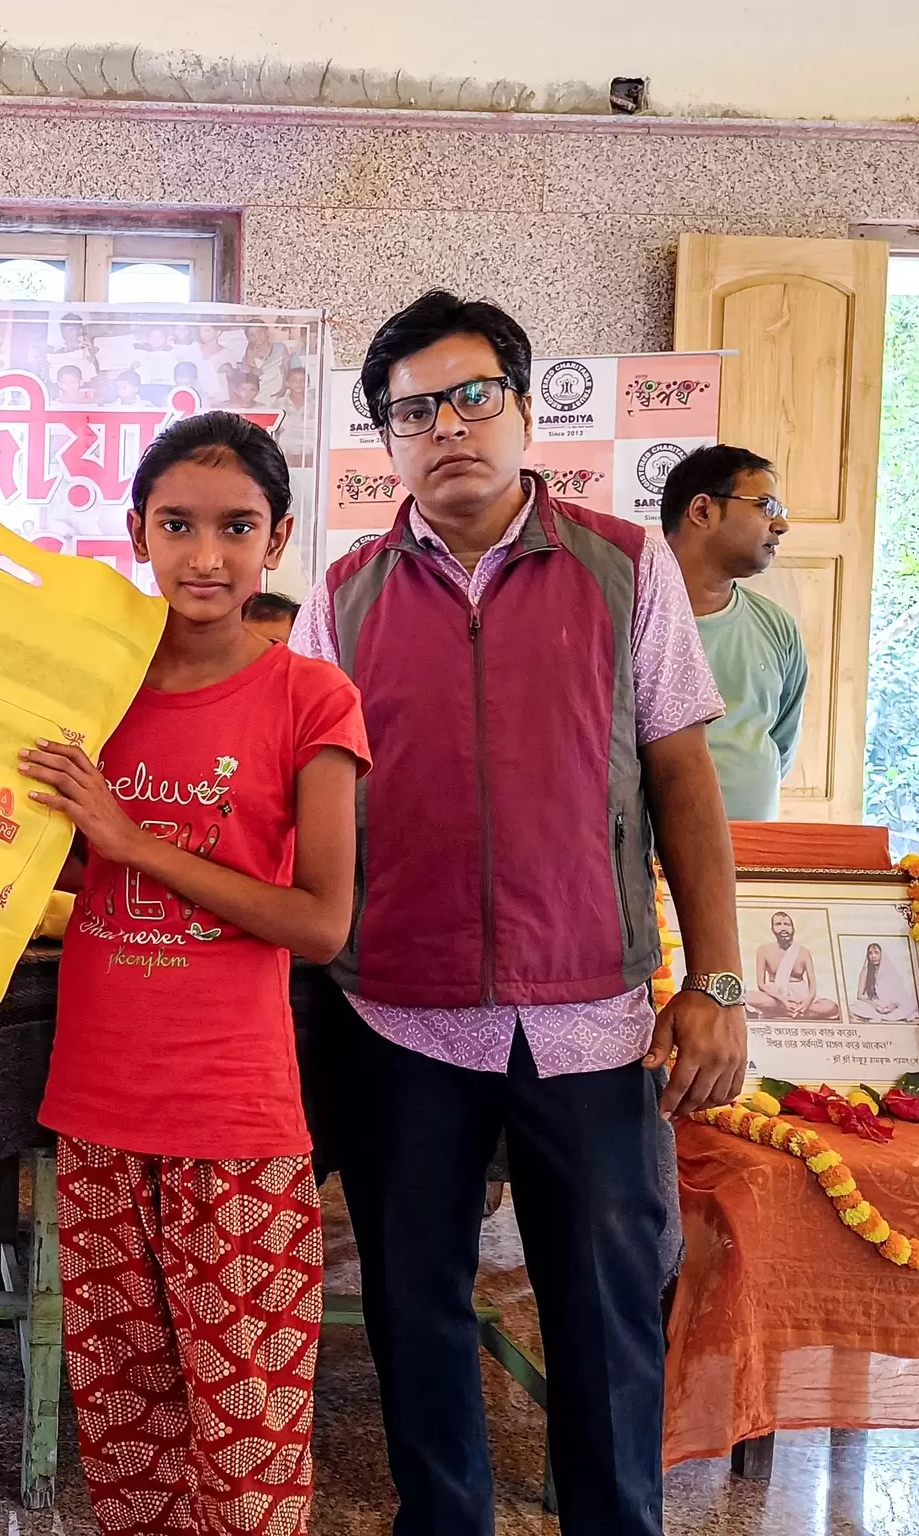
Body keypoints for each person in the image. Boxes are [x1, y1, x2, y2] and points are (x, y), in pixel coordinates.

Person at [291, 291, 745, 1536]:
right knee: (413, 1312)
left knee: (603, 1317)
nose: (447, 428)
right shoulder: (342, 597)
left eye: (472, 396)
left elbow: (681, 779)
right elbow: (313, 802)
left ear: (525, 410)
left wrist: (714, 983)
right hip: (398, 1017)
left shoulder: (624, 566)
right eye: (413, 412)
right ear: (386, 440)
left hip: (590, 1019)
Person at [25, 413, 368, 1535]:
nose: (205, 555)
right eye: (176, 525)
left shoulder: (312, 698)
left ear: (278, 539)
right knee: (127, 1441)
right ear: (136, 532)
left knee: (246, 1447)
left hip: (236, 1122)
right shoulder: (90, 693)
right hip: (96, 1109)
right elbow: (48, 861)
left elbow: (319, 923)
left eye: (236, 527)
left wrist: (133, 844)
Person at [660, 444, 807, 821]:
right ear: (702, 511)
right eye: (766, 506)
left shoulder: (778, 627)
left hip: (757, 850)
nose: (782, 525)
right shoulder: (624, 617)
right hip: (647, 854)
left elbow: (779, 745)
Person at [747, 909, 841, 1019]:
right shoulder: (764, 950)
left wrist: (806, 1003)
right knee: (749, 997)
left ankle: (787, 1011)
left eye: (787, 924)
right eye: (778, 924)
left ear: (793, 929)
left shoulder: (803, 952)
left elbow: (812, 988)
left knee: (832, 1007)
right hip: (775, 995)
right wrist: (782, 999)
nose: (783, 928)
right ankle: (796, 1013)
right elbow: (761, 985)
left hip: (801, 995)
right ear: (772, 929)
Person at [851, 940, 914, 1022]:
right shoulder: (865, 971)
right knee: (854, 1006)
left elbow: (900, 994)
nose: (873, 956)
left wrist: (892, 1006)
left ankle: (878, 1016)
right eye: (870, 953)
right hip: (873, 1004)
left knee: (910, 1005)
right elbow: (860, 996)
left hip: (891, 1005)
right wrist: (874, 1005)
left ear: (882, 954)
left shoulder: (891, 971)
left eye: (876, 953)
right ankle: (878, 1016)